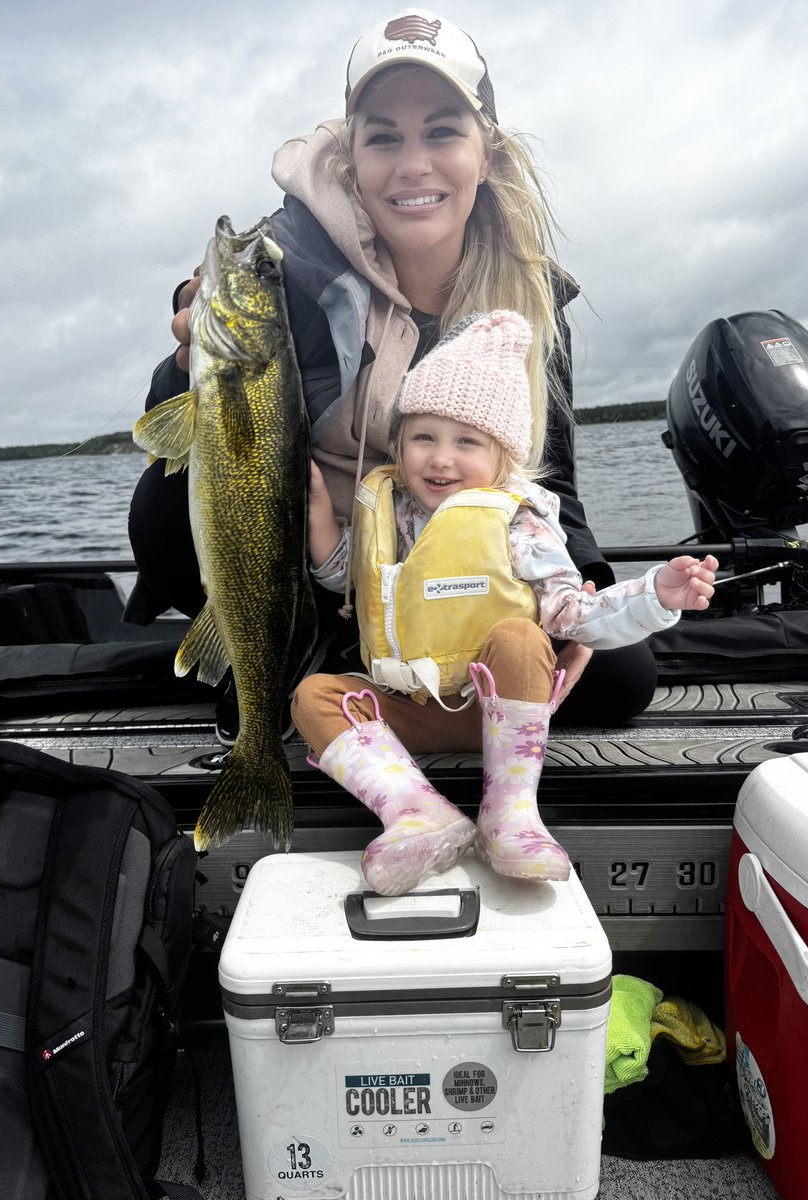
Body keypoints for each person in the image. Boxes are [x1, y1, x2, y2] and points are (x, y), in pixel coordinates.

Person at [126, 7, 655, 723]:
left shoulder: (529, 301)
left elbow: (551, 482)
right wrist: (187, 365)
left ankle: (383, 711)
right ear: (353, 159)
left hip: (465, 584)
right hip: (322, 579)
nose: (414, 165)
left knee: (622, 675)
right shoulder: (288, 277)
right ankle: (327, 675)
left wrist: (583, 588)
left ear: (487, 151)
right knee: (214, 570)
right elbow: (186, 513)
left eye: (442, 131)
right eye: (384, 138)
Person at [293, 311, 718, 896]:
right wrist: (319, 509)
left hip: (502, 705)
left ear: (503, 458)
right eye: (423, 438)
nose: (441, 459)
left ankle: (511, 815)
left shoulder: (519, 521)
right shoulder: (388, 513)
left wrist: (654, 594)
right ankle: (417, 814)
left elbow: (578, 614)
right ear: (400, 444)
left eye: (466, 441)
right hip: (413, 707)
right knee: (313, 697)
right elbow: (347, 576)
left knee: (522, 637)